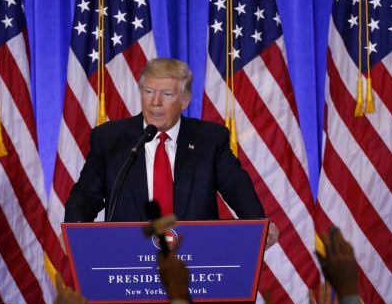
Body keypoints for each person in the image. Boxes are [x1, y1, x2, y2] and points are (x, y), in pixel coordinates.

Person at [64, 57, 278, 246]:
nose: (155, 102)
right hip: (128, 259)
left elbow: (236, 187)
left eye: (166, 94)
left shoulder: (209, 139)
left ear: (184, 100)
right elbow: (85, 196)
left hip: (193, 258)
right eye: (148, 92)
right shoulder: (111, 138)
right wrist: (74, 232)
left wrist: (259, 224)